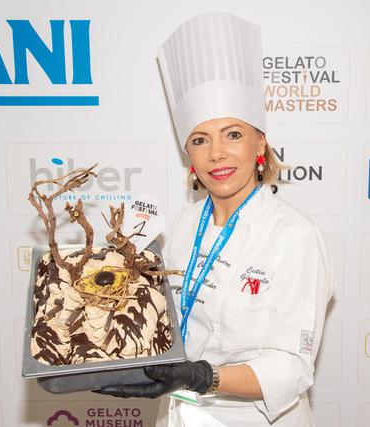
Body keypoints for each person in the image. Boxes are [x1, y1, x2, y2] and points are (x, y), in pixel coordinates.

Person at [98, 13, 334, 427]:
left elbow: (292, 369)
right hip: (178, 414)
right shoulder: (182, 225)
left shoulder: (295, 235)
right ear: (189, 154)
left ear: (260, 143)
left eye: (233, 134)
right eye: (200, 140)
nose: (217, 154)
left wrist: (203, 377)